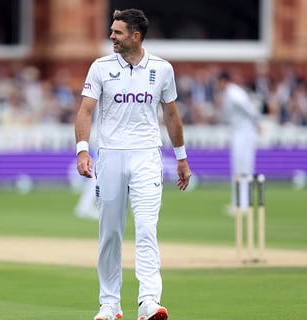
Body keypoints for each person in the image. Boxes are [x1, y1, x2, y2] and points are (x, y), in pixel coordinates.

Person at [75, 8, 191, 320]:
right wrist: (82, 151)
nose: (111, 36)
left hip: (147, 156)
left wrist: (181, 158)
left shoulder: (162, 69)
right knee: (110, 232)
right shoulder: (100, 67)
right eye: (111, 31)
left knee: (146, 229)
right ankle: (110, 304)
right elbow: (86, 111)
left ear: (135, 36)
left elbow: (170, 115)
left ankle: (149, 301)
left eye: (117, 32)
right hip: (111, 155)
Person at [217, 71, 261, 214]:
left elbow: (248, 107)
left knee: (243, 168)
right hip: (240, 132)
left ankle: (243, 204)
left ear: (223, 81)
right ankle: (239, 203)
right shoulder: (231, 93)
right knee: (239, 169)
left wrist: (256, 123)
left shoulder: (233, 93)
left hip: (244, 132)